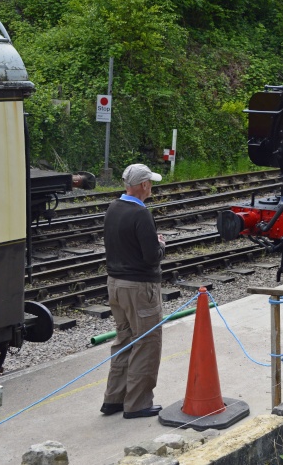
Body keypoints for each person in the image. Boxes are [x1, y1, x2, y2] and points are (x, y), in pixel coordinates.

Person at [100, 163, 166, 419]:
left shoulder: (113, 208)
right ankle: (137, 403)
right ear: (144, 185)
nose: (151, 187)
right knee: (147, 342)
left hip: (115, 284)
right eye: (150, 183)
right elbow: (151, 258)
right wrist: (161, 245)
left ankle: (114, 399)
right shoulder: (141, 214)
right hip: (139, 288)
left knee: (124, 339)